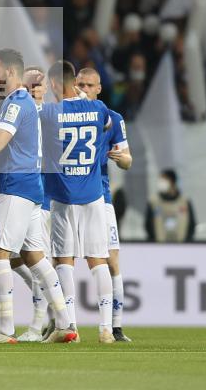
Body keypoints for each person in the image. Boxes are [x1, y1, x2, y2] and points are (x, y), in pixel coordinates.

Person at [0, 49, 75, 344]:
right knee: (34, 257)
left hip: (16, 187)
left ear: (10, 72)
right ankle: (65, 324)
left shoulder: (15, 103)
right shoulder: (17, 102)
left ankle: (5, 329)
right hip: (32, 188)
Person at [40, 61, 117, 344]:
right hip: (94, 195)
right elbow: (107, 125)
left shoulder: (49, 113)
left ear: (54, 84)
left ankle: (70, 326)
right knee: (98, 260)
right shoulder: (99, 108)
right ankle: (106, 329)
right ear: (75, 82)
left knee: (64, 260)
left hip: (63, 198)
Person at [74, 67, 133, 342]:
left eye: (89, 85)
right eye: (80, 84)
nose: (84, 89)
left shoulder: (112, 118)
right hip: (65, 196)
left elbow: (127, 160)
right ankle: (59, 323)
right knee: (60, 259)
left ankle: (115, 326)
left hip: (100, 195)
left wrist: (122, 159)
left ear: (99, 89)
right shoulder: (64, 115)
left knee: (111, 258)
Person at [9, 66, 53, 342]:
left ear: (46, 87)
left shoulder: (50, 115)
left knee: (36, 259)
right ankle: (53, 307)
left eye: (39, 82)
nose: (35, 87)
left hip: (44, 196)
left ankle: (37, 326)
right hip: (22, 190)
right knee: (15, 258)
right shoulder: (22, 111)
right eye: (31, 83)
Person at [145, 170, 196, 243]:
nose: (161, 183)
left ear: (172, 182)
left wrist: (187, 243)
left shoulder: (185, 201)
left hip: (182, 246)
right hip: (158, 246)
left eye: (163, 180)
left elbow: (191, 226)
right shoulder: (154, 202)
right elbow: (148, 226)